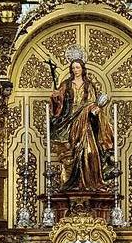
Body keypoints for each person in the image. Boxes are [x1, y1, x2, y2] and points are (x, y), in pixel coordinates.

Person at [49, 44, 114, 192]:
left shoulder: (89, 85)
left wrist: (94, 109)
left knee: (91, 152)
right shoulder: (66, 84)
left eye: (77, 67)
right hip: (70, 121)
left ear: (82, 69)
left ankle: (92, 182)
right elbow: (59, 103)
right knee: (71, 153)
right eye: (73, 68)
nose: (75, 70)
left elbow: (92, 102)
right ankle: (73, 183)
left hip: (85, 123)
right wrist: (55, 98)